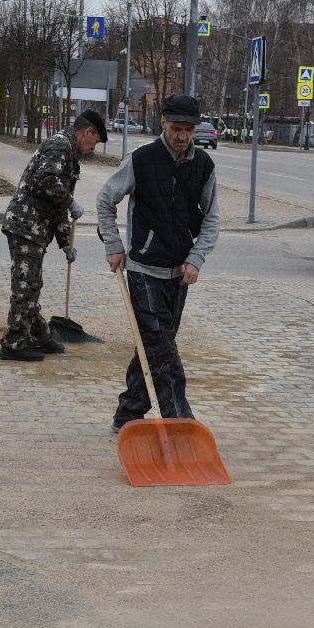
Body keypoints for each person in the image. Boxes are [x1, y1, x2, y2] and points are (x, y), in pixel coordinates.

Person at [94, 93, 221, 431]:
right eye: (176, 128)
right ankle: (180, 423)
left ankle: (127, 414)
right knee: (163, 348)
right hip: (143, 270)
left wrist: (196, 258)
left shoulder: (204, 166)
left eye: (189, 130)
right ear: (163, 122)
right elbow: (105, 200)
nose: (182, 136)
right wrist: (113, 244)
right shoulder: (142, 159)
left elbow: (212, 219)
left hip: (179, 273)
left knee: (154, 344)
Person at [0, 108, 108, 362]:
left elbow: (56, 204)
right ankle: (13, 343)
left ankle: (38, 335)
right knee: (26, 285)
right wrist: (71, 202)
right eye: (96, 142)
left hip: (34, 228)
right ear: (87, 132)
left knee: (31, 284)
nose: (94, 148)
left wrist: (65, 243)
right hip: (25, 225)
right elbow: (45, 179)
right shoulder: (60, 145)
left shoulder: (69, 155)